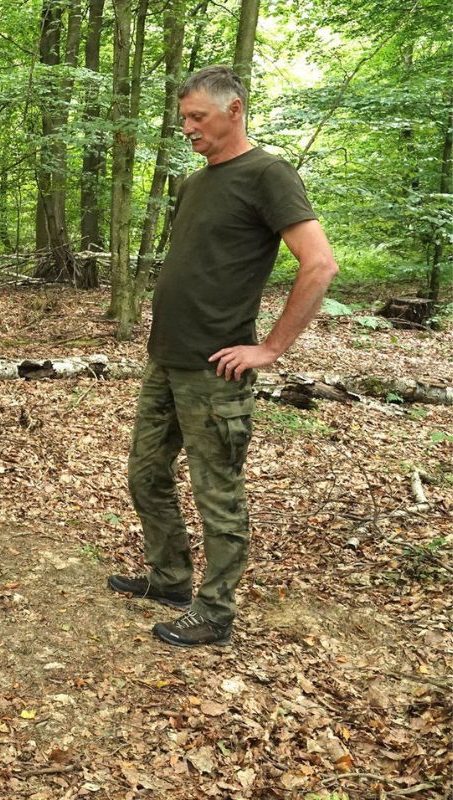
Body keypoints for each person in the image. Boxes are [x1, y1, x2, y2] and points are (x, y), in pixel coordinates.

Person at [107, 65, 339, 647]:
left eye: (197, 117)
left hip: (217, 369)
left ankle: (215, 612)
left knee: (218, 492)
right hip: (167, 359)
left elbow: (320, 264)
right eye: (183, 117)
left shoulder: (268, 173)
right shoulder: (194, 183)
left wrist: (271, 347)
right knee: (145, 473)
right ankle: (170, 579)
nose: (187, 128)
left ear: (234, 110)